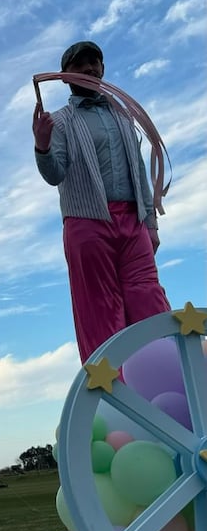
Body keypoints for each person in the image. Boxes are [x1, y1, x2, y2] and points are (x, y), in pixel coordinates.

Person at [32, 40, 170, 362]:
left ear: (103, 70)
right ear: (65, 76)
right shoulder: (61, 121)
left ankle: (168, 379)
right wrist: (42, 145)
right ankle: (113, 402)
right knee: (100, 309)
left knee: (149, 300)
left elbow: (137, 168)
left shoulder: (123, 115)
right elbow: (55, 173)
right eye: (80, 65)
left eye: (94, 63)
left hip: (132, 221)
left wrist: (150, 223)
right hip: (87, 222)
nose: (89, 69)